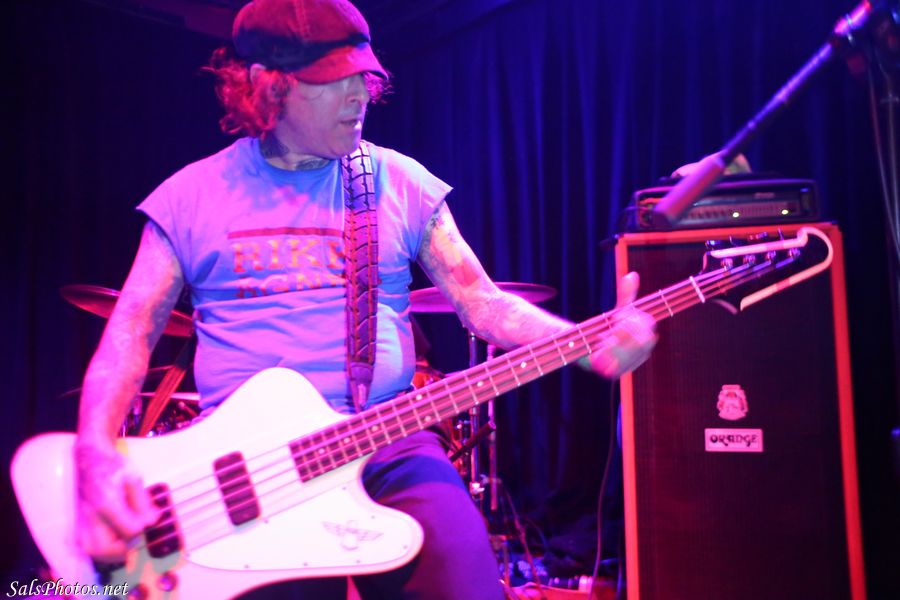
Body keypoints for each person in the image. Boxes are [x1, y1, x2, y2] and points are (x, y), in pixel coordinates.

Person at [72, 0, 658, 598]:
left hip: (387, 441)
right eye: (333, 81)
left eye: (362, 76)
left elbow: (484, 303)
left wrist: (586, 342)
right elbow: (129, 334)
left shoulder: (397, 182)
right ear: (267, 88)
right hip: (243, 468)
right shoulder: (189, 197)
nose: (359, 96)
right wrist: (94, 452)